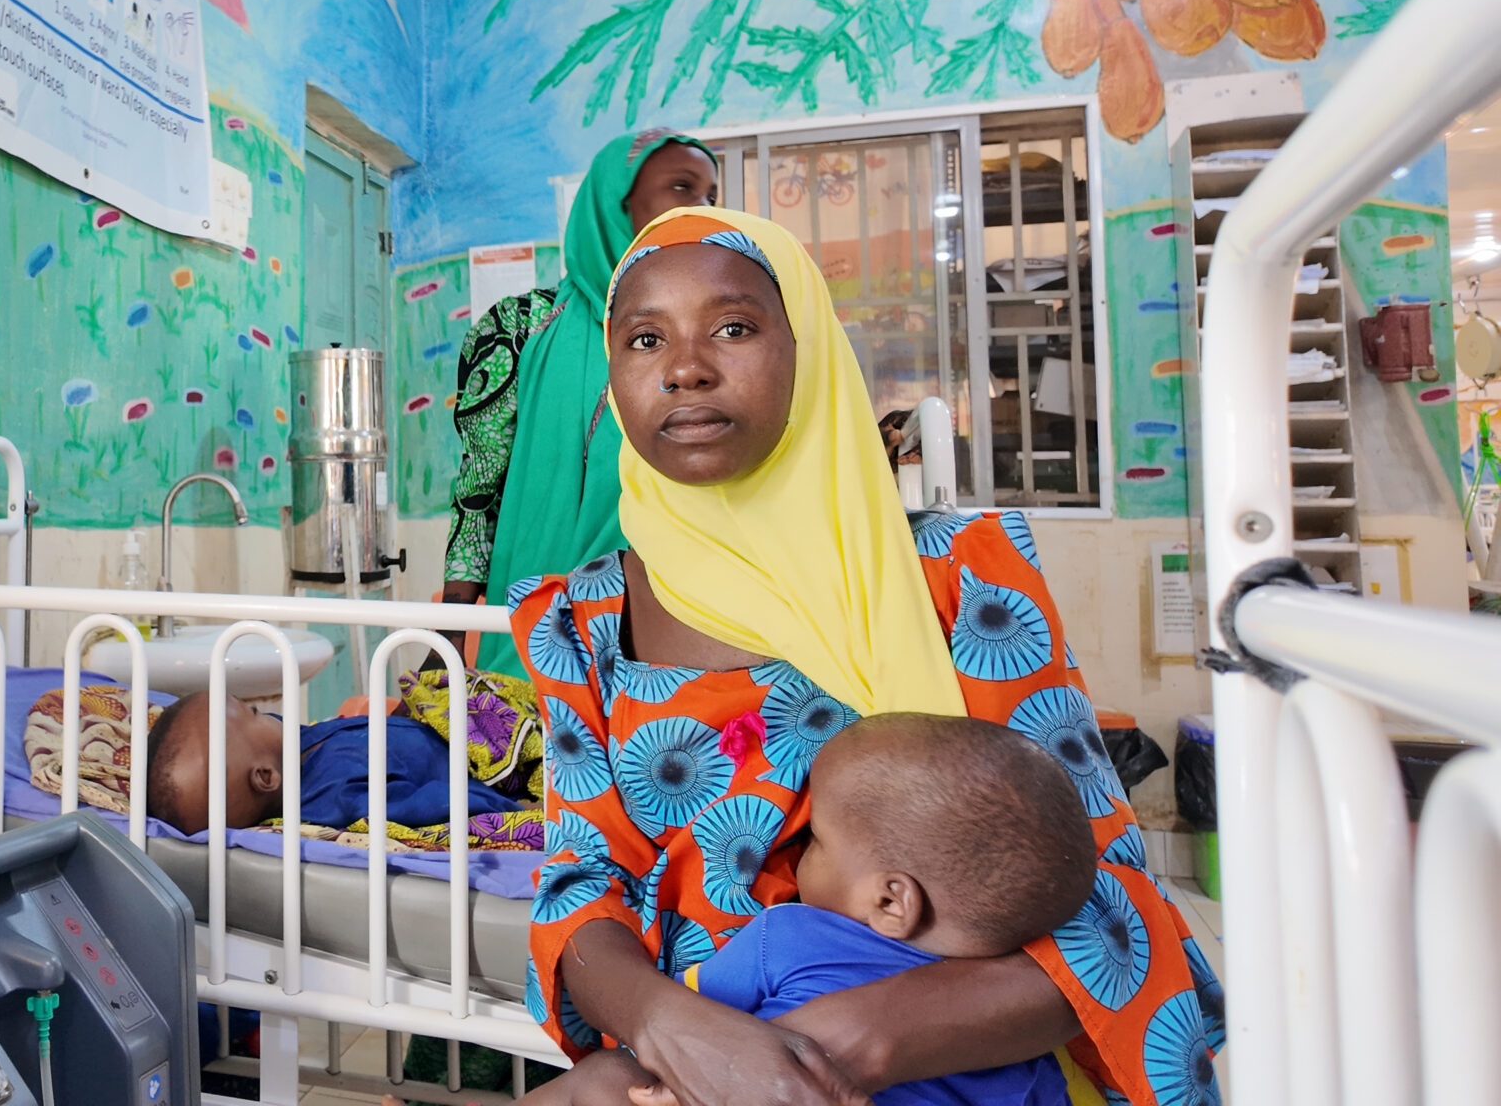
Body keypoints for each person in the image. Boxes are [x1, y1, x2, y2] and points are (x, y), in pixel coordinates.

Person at [514, 207, 1221, 1106]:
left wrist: (843, 1045)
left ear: (806, 347)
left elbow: (1103, 900)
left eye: (733, 328)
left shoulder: (958, 578)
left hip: (943, 1065)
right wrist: (671, 1030)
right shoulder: (579, 622)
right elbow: (583, 884)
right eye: (644, 339)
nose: (685, 368)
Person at [564, 712, 1099, 1106]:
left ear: (890, 900)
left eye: (816, 838)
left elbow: (696, 1025)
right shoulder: (1022, 1046)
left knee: (605, 1081)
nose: (800, 852)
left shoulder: (789, 937)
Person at [441, 131, 721, 677]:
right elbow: (477, 497)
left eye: (711, 194)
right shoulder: (520, 329)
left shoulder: (706, 339)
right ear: (616, 204)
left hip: (675, 639)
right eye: (682, 187)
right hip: (535, 640)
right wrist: (447, 641)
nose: (702, 209)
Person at [139, 688, 526, 836]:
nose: (267, 714)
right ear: (265, 776)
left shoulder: (298, 750)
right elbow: (438, 802)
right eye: (254, 713)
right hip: (482, 766)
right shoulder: (339, 797)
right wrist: (509, 807)